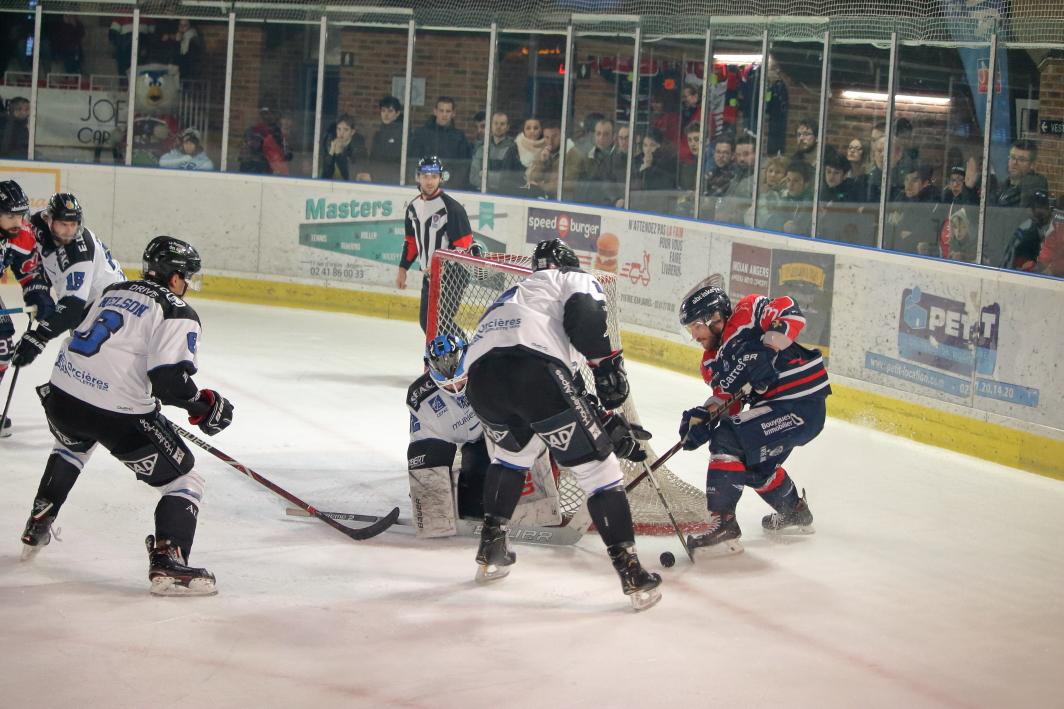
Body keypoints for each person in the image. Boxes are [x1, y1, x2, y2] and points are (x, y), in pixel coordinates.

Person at [19, 236, 232, 597]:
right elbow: (168, 382)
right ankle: (169, 560)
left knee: (72, 445)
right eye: (187, 276)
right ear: (175, 277)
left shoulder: (114, 289)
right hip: (115, 415)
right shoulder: (178, 311)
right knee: (184, 481)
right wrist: (203, 405)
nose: (188, 284)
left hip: (62, 396)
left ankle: (41, 516)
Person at [463, 238, 660, 610]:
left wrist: (597, 420)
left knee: (510, 457)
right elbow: (585, 316)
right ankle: (631, 573)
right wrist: (605, 368)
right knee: (601, 472)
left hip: (482, 382)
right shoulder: (571, 277)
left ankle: (491, 549)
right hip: (535, 372)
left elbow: (561, 388)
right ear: (568, 262)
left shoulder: (515, 292)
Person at [676, 283, 829, 557]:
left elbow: (790, 311)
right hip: (776, 410)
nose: (694, 336)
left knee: (728, 438)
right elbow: (728, 401)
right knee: (752, 466)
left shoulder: (748, 311)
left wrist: (769, 348)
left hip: (801, 402)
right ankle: (794, 511)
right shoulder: (710, 363)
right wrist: (704, 418)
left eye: (696, 327)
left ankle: (724, 526)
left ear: (714, 318)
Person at [11, 193, 126, 370]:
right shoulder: (37, 223)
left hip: (108, 305)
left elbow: (71, 308)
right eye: (63, 224)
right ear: (49, 220)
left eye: (73, 224)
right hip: (87, 303)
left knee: (94, 367)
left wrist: (39, 337)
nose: (69, 231)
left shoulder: (78, 254)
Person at [406, 334, 487, 538]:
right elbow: (421, 446)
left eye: (460, 381)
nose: (456, 388)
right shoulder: (419, 397)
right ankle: (435, 512)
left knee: (479, 482)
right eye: (448, 386)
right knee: (428, 464)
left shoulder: (488, 371)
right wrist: (424, 482)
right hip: (447, 438)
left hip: (486, 436)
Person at [0, 181, 56, 429]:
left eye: (20, 215)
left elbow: (29, 272)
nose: (18, 221)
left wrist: (38, 294)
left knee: (2, 346)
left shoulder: (20, 233)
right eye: (10, 216)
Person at [396, 156, 473, 334]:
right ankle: (451, 352)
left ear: (441, 178)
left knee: (440, 320)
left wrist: (443, 266)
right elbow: (411, 242)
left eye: (434, 176)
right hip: (430, 276)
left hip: (453, 275)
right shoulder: (413, 207)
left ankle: (465, 349)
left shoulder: (452, 209)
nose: (429, 181)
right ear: (418, 177)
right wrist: (402, 268)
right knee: (426, 322)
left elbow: (464, 246)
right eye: (425, 176)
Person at [408, 97, 471, 190]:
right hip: (424, 184)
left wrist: (454, 184)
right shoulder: (421, 134)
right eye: (441, 111)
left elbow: (463, 166)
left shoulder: (459, 137)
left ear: (453, 113)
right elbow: (413, 160)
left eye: (448, 111)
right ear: (435, 111)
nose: (444, 114)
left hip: (450, 187)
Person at [469, 111, 523, 194]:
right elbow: (473, 176)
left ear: (507, 127)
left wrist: (486, 175)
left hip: (503, 194)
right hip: (481, 192)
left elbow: (508, 178)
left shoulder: (512, 148)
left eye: (502, 124)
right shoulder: (481, 146)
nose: (498, 127)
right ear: (491, 125)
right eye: (495, 123)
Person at [1001, 191, 1054, 271]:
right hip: (1012, 272)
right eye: (1040, 207)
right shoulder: (1029, 234)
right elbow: (1024, 267)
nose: (1049, 213)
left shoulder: (1029, 226)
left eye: (1045, 207)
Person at [320, 113, 367, 181]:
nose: (341, 133)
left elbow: (348, 176)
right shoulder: (330, 143)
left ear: (352, 132)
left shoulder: (357, 147)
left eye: (346, 130)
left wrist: (339, 154)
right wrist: (331, 153)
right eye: (339, 129)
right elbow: (325, 176)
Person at [369, 96, 403, 183]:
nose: (386, 114)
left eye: (390, 111)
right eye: (383, 111)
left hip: (394, 179)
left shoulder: (402, 134)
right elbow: (372, 159)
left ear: (397, 113)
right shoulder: (378, 135)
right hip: (377, 178)